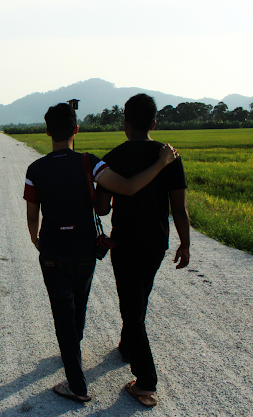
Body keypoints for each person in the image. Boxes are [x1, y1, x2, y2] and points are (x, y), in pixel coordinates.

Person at [23, 103, 179, 403]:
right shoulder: (89, 163)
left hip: (53, 251)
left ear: (47, 132)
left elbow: (33, 215)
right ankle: (75, 351)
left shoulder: (35, 170)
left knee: (62, 315)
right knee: (77, 306)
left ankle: (76, 384)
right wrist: (162, 162)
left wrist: (36, 240)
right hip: (84, 250)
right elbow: (129, 187)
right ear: (76, 130)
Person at [96, 93, 190, 407]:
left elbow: (104, 209)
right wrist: (185, 242)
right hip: (156, 242)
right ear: (153, 123)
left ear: (125, 124)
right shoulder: (169, 156)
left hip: (126, 242)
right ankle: (126, 345)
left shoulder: (112, 157)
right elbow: (179, 208)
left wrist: (99, 194)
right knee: (139, 297)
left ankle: (146, 381)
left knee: (132, 307)